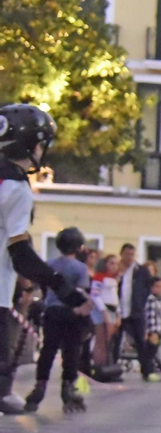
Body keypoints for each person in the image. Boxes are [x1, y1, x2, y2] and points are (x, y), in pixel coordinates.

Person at [0, 105, 92, 415]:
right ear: (28, 144)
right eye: (41, 143)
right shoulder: (15, 188)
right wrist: (65, 290)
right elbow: (21, 254)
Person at [23, 225, 93, 413]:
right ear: (79, 247)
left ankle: (40, 386)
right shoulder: (80, 268)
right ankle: (68, 388)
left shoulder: (50, 265)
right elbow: (82, 293)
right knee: (71, 350)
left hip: (52, 311)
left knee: (49, 349)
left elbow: (45, 287)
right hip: (72, 313)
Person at [116, 243, 156, 380]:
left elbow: (149, 286)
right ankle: (113, 369)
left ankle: (147, 370)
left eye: (132, 255)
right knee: (115, 341)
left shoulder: (141, 270)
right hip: (118, 311)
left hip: (135, 311)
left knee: (140, 341)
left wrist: (141, 301)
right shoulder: (116, 269)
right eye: (127, 254)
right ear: (121, 254)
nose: (129, 258)